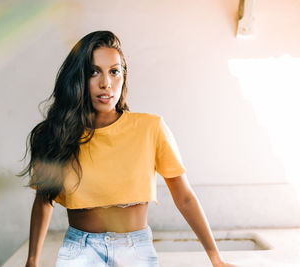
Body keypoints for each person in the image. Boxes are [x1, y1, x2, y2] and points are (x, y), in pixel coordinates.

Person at [19, 31, 237, 267]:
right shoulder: (54, 134)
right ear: (78, 79)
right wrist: (32, 261)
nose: (106, 83)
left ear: (124, 77)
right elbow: (43, 200)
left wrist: (216, 258)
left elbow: (184, 198)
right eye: (94, 72)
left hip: (135, 251)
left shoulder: (150, 128)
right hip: (79, 251)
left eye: (114, 71)